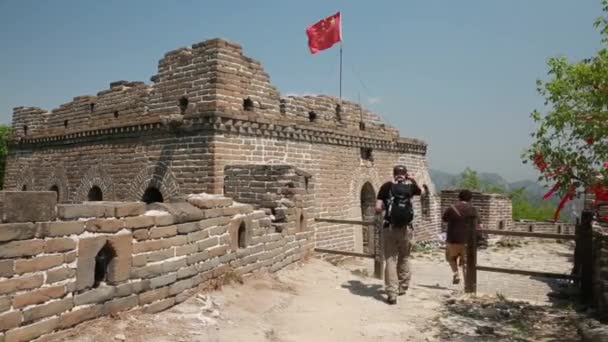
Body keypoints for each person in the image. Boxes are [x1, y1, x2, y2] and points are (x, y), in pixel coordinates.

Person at [375, 165, 422, 305]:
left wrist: (386, 207)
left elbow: (378, 208)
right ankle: (403, 286)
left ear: (394, 174)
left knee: (390, 259)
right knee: (405, 257)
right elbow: (423, 192)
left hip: (389, 227)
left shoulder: (386, 187)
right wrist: (412, 179)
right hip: (406, 229)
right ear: (405, 175)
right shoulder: (410, 188)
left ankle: (391, 293)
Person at [441, 189, 479, 285]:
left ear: (459, 197)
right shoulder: (472, 209)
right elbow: (479, 225)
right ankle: (467, 283)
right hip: (467, 240)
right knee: (466, 261)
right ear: (470, 199)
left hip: (452, 239)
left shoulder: (451, 208)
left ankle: (456, 274)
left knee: (451, 258)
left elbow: (444, 219)